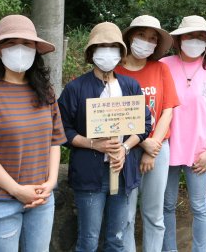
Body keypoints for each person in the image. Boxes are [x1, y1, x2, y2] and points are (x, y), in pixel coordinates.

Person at [0, 14, 67, 251]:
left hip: (41, 198)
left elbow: (55, 141)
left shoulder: (45, 91)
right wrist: (16, 190)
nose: (19, 48)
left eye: (27, 43)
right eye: (11, 43)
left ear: (36, 49)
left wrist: (51, 182)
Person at [57, 22, 152, 252]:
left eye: (113, 47)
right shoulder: (75, 89)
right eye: (101, 46)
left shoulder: (130, 86)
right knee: (88, 241)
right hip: (89, 175)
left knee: (116, 239)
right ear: (92, 52)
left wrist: (125, 148)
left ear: (121, 53)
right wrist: (93, 144)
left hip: (122, 172)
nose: (107, 52)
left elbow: (143, 124)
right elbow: (63, 130)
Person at [161, 15, 206, 252]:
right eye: (190, 36)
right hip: (167, 148)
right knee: (166, 205)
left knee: (199, 206)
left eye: (201, 37)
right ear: (179, 39)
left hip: (199, 151)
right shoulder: (164, 65)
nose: (195, 41)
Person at [115, 15, 180, 252]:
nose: (147, 41)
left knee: (154, 213)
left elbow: (168, 111)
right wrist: (143, 145)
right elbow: (115, 115)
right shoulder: (115, 71)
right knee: (126, 214)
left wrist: (153, 148)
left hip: (158, 149)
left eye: (153, 38)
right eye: (142, 35)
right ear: (131, 37)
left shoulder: (160, 69)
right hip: (126, 149)